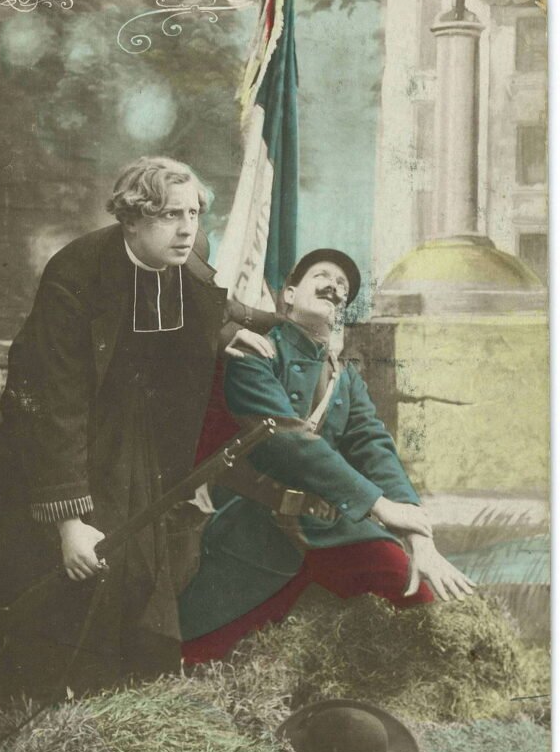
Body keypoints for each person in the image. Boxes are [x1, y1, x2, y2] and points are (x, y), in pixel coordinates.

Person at [0, 156, 278, 695]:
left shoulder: (187, 254)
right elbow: (54, 400)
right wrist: (68, 520)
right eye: (170, 215)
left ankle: (127, 675)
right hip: (61, 431)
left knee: (138, 555)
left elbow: (208, 306)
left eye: (193, 213)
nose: (187, 229)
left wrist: (231, 333)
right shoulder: (75, 273)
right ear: (131, 219)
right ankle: (41, 681)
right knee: (69, 556)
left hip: (137, 428)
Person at [178, 249, 474, 664]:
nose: (334, 287)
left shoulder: (345, 377)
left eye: (343, 287)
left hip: (333, 529)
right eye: (323, 276)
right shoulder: (255, 352)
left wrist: (419, 539)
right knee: (198, 656)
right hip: (256, 531)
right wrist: (378, 505)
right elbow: (286, 440)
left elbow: (374, 447)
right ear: (289, 294)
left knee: (424, 608)